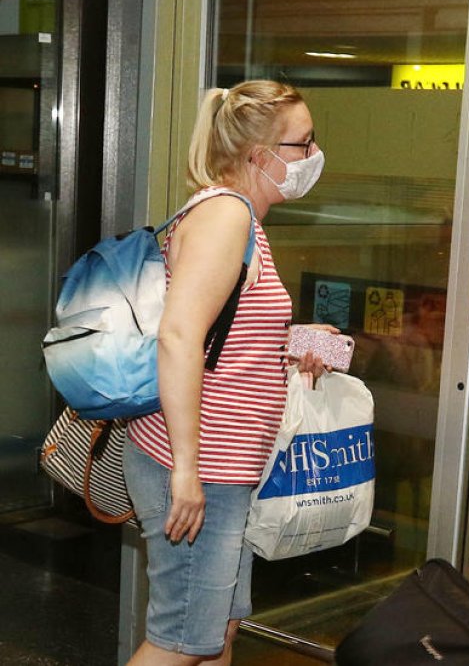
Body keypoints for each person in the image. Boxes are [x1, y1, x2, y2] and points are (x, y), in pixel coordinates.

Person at [125, 80, 334, 666]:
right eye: (303, 143)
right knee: (180, 642)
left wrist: (304, 343)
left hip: (223, 468)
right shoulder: (225, 217)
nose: (313, 156)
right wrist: (187, 473)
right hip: (198, 468)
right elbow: (180, 336)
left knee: (220, 631)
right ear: (258, 157)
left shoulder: (240, 217)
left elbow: (228, 333)